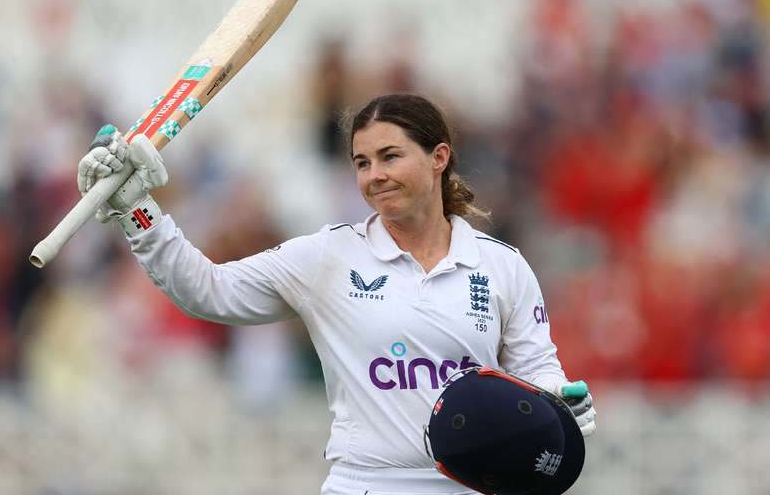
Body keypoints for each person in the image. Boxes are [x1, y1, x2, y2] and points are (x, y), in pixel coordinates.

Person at [77, 93, 596, 495]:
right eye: (362, 162)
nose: (374, 176)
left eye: (390, 157)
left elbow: (535, 366)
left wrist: (556, 403)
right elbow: (207, 290)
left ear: (439, 157)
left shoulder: (501, 264)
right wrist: (138, 211)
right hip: (365, 483)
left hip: (473, 486)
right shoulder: (327, 256)